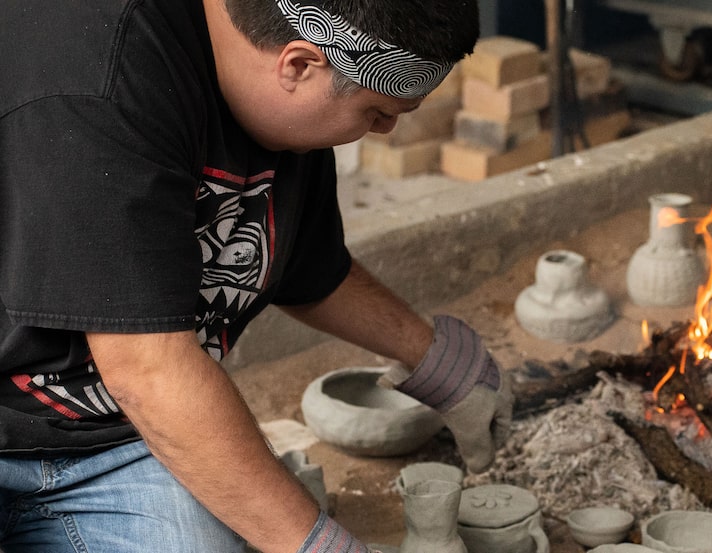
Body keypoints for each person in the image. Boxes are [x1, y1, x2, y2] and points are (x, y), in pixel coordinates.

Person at [0, 0, 513, 552]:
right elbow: (148, 369)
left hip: (115, 440)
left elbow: (306, 270)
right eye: (377, 111)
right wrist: (320, 546)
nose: (385, 129)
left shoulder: (280, 96)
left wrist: (434, 357)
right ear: (297, 66)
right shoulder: (97, 85)